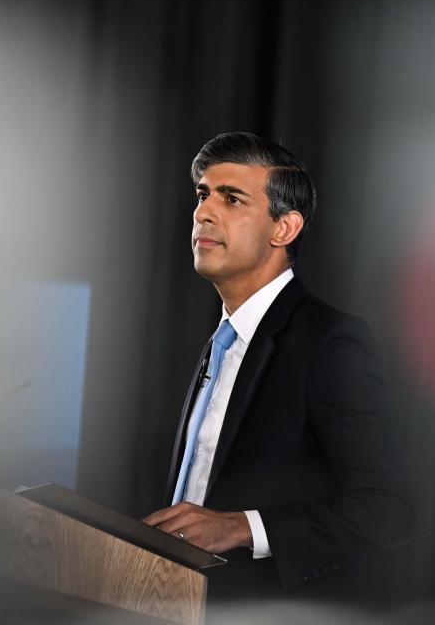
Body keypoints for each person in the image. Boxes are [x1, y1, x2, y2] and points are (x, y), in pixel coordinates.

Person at [142, 132, 414, 600]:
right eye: (203, 194)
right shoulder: (218, 343)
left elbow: (387, 507)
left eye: (232, 198)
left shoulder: (329, 341)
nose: (203, 212)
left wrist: (241, 527)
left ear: (283, 229)